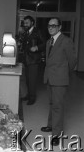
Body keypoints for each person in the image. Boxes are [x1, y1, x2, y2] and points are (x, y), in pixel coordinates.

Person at [41, 17, 77, 146]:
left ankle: (57, 134)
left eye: (54, 25)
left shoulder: (66, 41)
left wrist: (64, 73)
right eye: (49, 25)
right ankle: (51, 125)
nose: (51, 27)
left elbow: (73, 61)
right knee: (52, 104)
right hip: (49, 77)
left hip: (60, 79)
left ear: (59, 27)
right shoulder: (48, 41)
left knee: (58, 106)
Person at [21, 15, 46, 105]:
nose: (25, 24)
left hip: (34, 60)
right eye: (24, 23)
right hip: (26, 60)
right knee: (27, 79)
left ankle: (32, 97)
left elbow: (45, 43)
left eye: (27, 22)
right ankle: (29, 94)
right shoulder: (25, 33)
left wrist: (37, 47)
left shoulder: (38, 31)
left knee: (32, 80)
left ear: (32, 23)